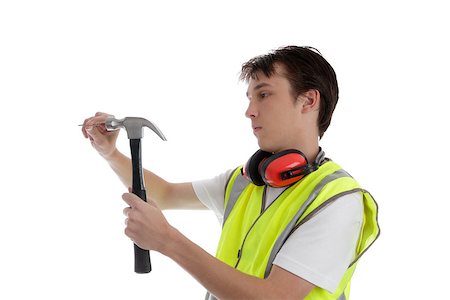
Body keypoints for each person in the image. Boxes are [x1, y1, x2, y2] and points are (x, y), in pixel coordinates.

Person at [81, 46, 379, 299]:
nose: (249, 111)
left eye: (263, 95)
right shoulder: (244, 181)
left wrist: (168, 241)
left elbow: (275, 297)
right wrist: (111, 153)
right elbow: (163, 194)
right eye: (249, 98)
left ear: (309, 101)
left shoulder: (338, 201)